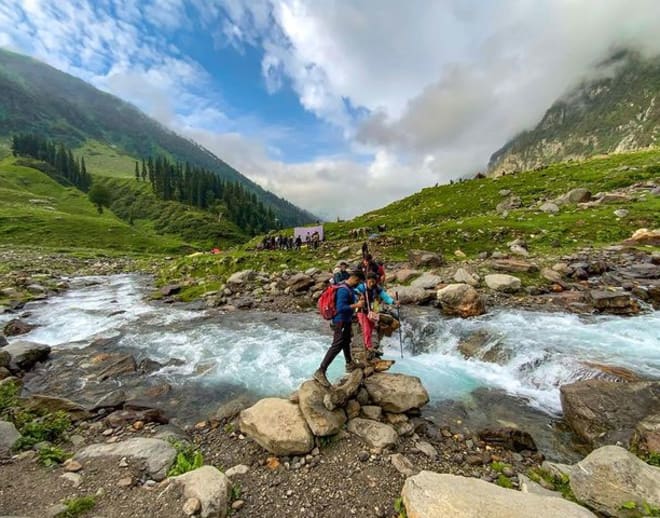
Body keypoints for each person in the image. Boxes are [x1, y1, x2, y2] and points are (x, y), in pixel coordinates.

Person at [313, 271, 365, 387]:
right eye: (357, 281)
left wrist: (358, 298)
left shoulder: (349, 288)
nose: (358, 284)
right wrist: (356, 306)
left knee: (346, 341)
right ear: (353, 278)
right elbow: (341, 308)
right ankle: (320, 371)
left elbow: (353, 296)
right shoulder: (343, 290)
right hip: (340, 321)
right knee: (337, 345)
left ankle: (349, 363)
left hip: (346, 320)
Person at [354, 272, 399, 354]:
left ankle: (368, 344)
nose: (371, 283)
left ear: (376, 281)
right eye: (370, 281)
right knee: (366, 328)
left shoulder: (377, 288)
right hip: (362, 310)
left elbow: (385, 296)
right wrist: (359, 294)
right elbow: (354, 291)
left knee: (371, 328)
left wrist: (393, 302)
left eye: (373, 282)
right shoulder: (362, 287)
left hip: (372, 311)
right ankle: (369, 346)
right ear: (367, 280)